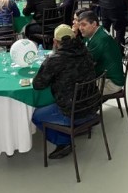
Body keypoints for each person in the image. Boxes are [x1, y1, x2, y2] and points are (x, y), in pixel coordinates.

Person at [32, 24, 98, 159]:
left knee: (36, 116)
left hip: (73, 112)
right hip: (92, 107)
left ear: (55, 42)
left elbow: (38, 85)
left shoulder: (54, 60)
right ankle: (72, 131)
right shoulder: (86, 51)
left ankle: (64, 142)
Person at [74, 10, 125, 95]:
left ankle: (88, 107)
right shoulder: (94, 33)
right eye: (79, 25)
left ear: (94, 24)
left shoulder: (100, 39)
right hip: (105, 75)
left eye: (83, 24)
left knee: (76, 91)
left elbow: (86, 64)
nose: (80, 28)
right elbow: (82, 50)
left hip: (112, 82)